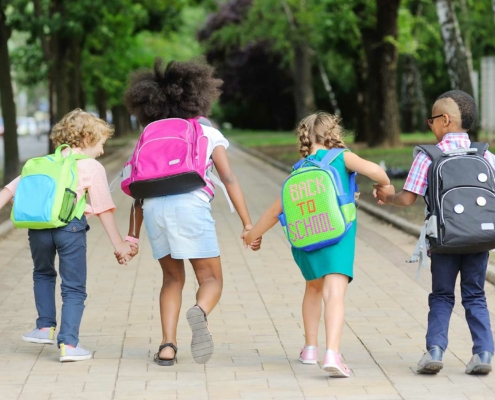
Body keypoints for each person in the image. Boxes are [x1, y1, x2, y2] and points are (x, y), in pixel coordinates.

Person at [117, 57, 260, 366]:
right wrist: (248, 223)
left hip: (155, 210)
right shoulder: (205, 132)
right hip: (191, 206)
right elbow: (228, 177)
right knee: (210, 280)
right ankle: (200, 312)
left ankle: (167, 346)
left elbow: (137, 189)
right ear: (199, 96)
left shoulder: (149, 134)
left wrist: (132, 236)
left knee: (171, 279)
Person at [243, 112, 390, 377]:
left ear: (305, 137)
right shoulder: (342, 157)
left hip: (307, 239)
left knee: (313, 288)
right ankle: (332, 353)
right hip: (338, 236)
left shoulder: (299, 168)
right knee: (334, 292)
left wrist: (253, 234)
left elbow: (277, 209)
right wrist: (385, 184)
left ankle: (310, 348)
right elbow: (375, 170)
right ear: (334, 133)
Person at [374, 90, 495, 375]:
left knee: (441, 296)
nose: (431, 126)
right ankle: (484, 353)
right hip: (480, 240)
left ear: (445, 120)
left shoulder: (429, 156)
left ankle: (435, 351)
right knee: (475, 295)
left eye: (431, 121)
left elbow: (406, 199)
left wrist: (387, 196)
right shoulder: (486, 154)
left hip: (444, 239)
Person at [0, 109, 136, 362]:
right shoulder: (90, 166)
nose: (102, 151)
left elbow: (9, 190)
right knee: (73, 288)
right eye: (101, 144)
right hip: (70, 229)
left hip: (38, 230)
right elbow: (104, 208)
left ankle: (44, 328)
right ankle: (69, 344)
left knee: (42, 274)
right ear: (86, 139)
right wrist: (119, 245)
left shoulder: (45, 162)